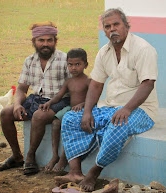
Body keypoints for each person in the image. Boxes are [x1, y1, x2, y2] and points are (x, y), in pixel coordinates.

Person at [55, 8, 158, 192]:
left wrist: (127, 109)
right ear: (104, 30)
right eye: (107, 26)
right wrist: (87, 111)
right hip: (109, 107)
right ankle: (75, 171)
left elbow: (148, 84)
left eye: (116, 24)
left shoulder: (143, 49)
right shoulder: (105, 51)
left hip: (140, 109)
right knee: (71, 118)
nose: (112, 29)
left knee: (118, 125)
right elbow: (96, 84)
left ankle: (93, 172)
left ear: (126, 26)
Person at [0, 21, 72, 176]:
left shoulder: (65, 59)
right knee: (5, 113)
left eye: (49, 40)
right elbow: (22, 88)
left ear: (55, 41)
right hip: (36, 99)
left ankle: (30, 156)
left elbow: (76, 85)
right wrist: (17, 105)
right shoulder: (29, 61)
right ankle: (17, 156)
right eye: (41, 40)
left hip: (59, 101)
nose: (45, 44)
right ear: (34, 42)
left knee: (38, 116)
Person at [39, 48, 91, 172]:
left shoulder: (88, 81)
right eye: (70, 65)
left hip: (82, 111)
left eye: (77, 64)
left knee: (69, 128)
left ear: (86, 65)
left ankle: (63, 157)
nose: (73, 68)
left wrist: (83, 104)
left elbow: (93, 97)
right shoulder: (69, 81)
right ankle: (55, 155)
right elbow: (59, 95)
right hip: (70, 109)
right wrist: (49, 103)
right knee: (56, 122)